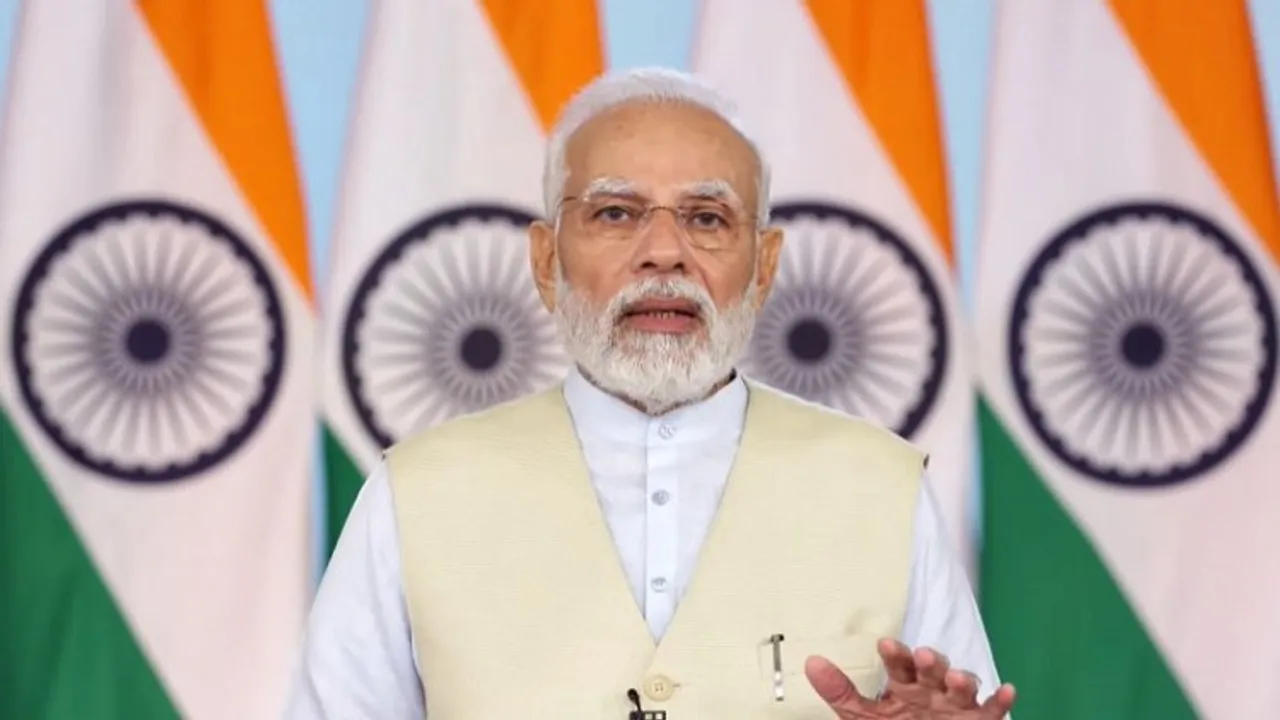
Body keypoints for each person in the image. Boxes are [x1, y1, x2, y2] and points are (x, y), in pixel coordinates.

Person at [286, 67, 1016, 719]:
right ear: (546, 261)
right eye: (615, 213)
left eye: (706, 218)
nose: (664, 253)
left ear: (763, 269)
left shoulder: (882, 488)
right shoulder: (415, 495)